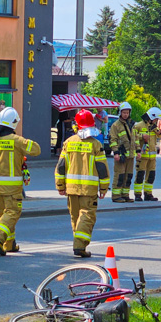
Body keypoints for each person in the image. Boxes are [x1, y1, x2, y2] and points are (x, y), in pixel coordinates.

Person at [0, 107, 41, 255]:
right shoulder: (17, 141)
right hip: (12, 189)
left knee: (3, 215)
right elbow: (36, 150)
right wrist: (24, 142)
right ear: (13, 123)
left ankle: (9, 244)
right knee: (13, 213)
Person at [55, 110, 110, 258]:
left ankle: (79, 245)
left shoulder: (68, 142)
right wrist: (104, 187)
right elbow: (102, 168)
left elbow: (61, 166)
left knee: (75, 217)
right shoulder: (96, 144)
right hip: (89, 189)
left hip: (71, 189)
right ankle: (79, 246)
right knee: (87, 216)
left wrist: (60, 185)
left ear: (76, 126)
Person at [132, 106, 161, 201]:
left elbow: (160, 134)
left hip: (152, 157)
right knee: (140, 174)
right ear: (151, 118)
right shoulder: (139, 125)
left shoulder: (154, 127)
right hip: (142, 156)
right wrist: (142, 136)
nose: (157, 121)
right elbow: (132, 135)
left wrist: (156, 129)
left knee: (151, 176)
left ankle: (148, 194)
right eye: (156, 119)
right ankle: (137, 194)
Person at [109, 102, 136, 203]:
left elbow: (135, 139)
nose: (126, 114)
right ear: (120, 113)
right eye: (124, 112)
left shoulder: (131, 124)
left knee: (128, 176)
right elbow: (113, 140)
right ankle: (116, 196)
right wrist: (116, 153)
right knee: (119, 175)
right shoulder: (116, 125)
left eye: (127, 112)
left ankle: (125, 195)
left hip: (130, 156)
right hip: (121, 155)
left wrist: (137, 151)